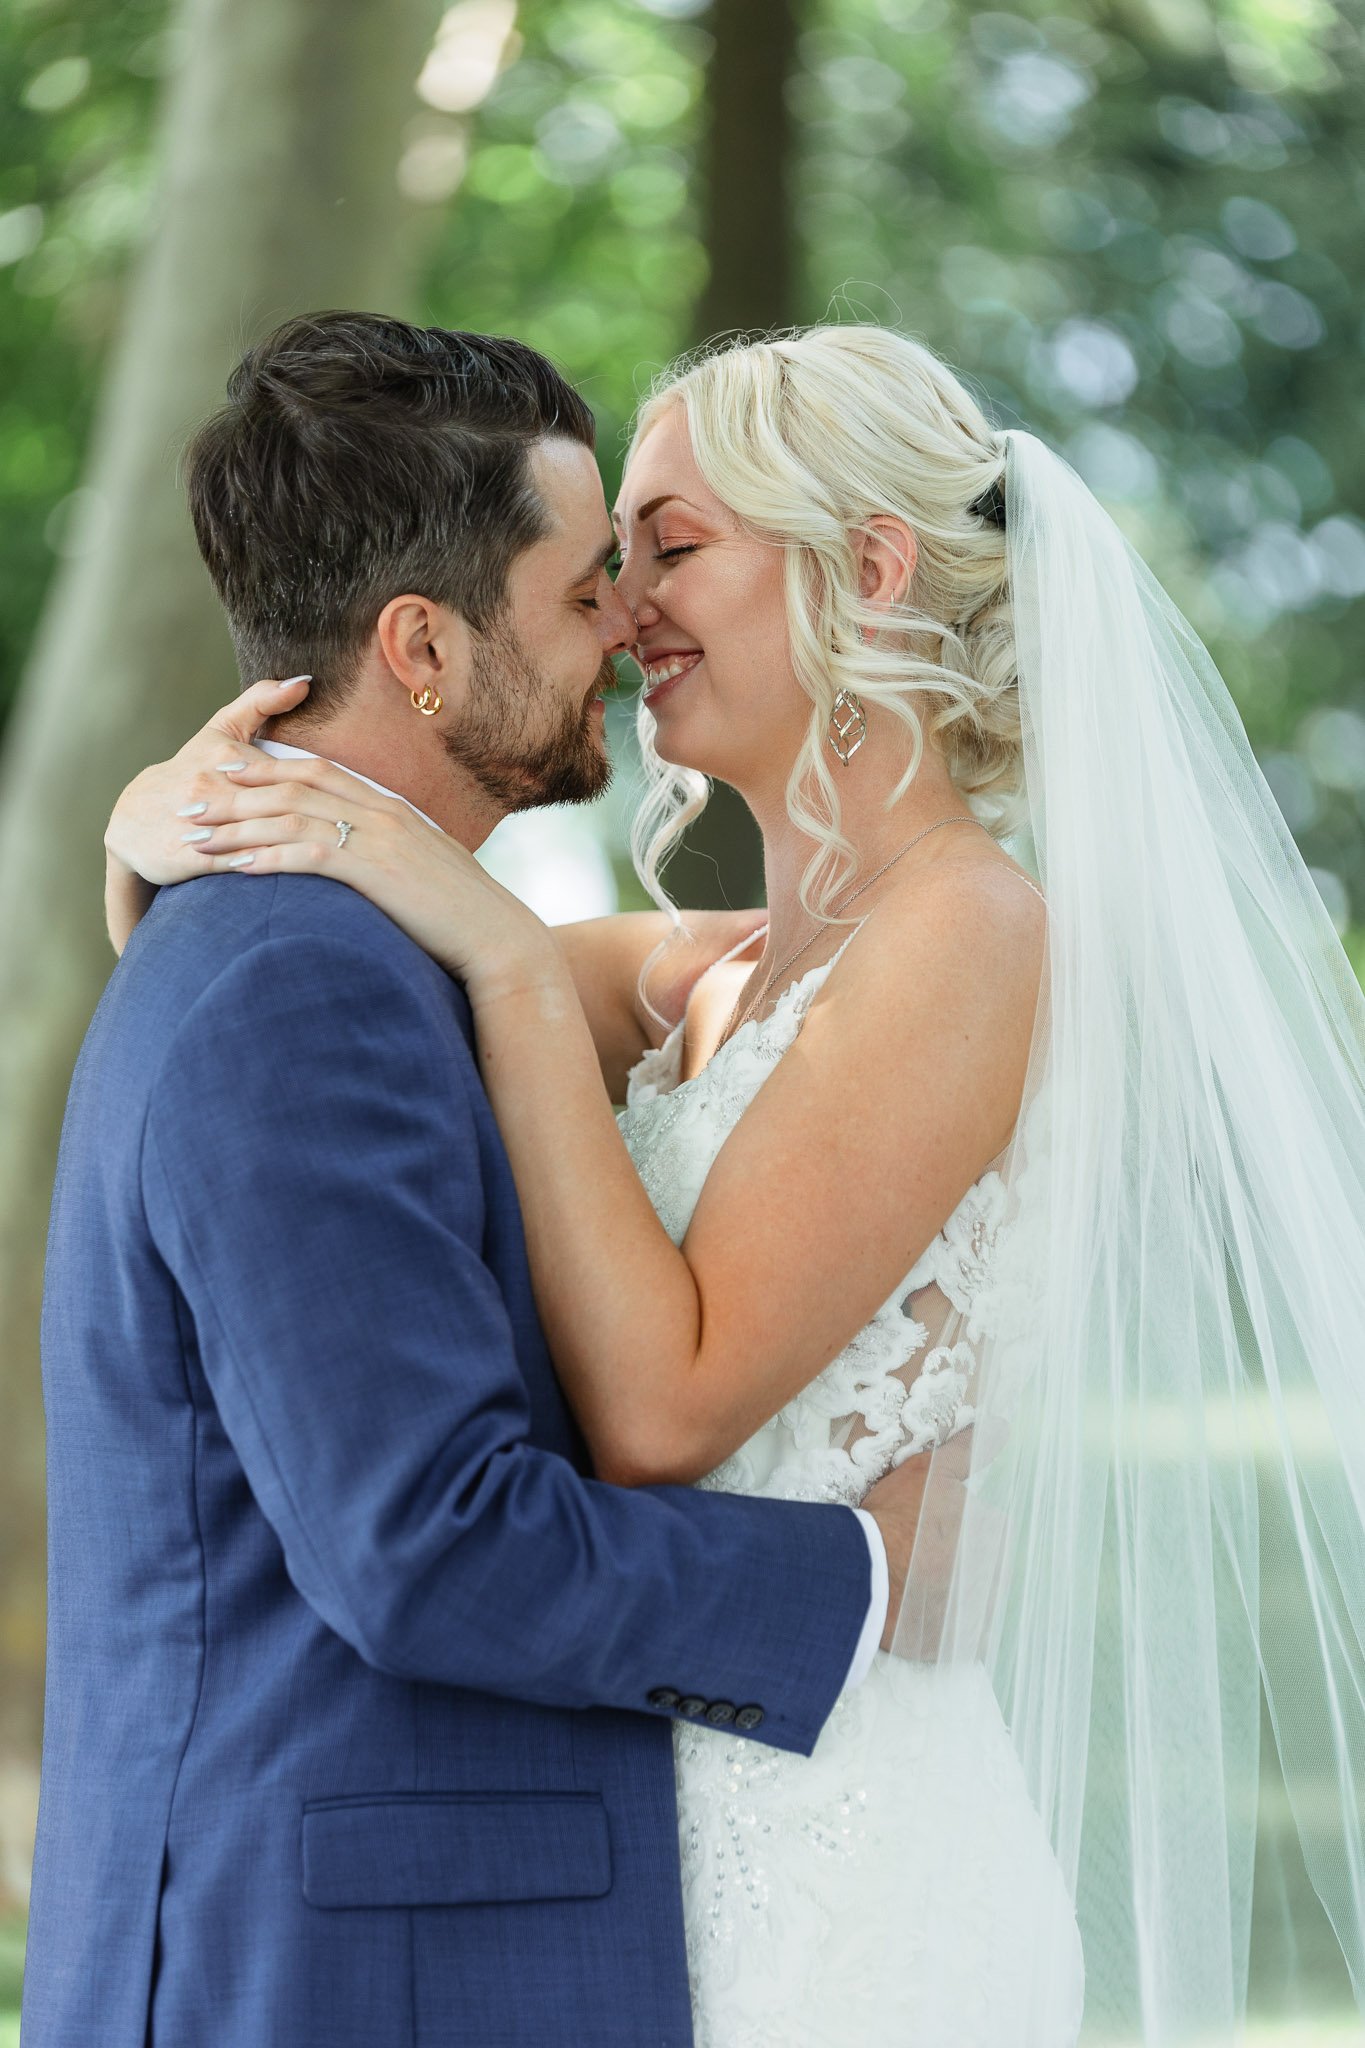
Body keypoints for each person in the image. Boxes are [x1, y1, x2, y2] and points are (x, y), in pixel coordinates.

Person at [107, 321, 1365, 2045]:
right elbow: (352, 990)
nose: (625, 612)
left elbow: (663, 1405)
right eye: (611, 565)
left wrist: (512, 966)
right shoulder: (728, 971)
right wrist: (162, 829)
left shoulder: (971, 935)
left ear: (868, 567)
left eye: (672, 550)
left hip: (844, 1864)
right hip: (655, 1833)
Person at [22, 313, 939, 2048]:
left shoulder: (359, 946)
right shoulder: (302, 976)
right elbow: (428, 1549)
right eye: (591, 583)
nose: (627, 628)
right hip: (337, 1974)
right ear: (423, 646)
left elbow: (734, 986)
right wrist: (864, 1578)